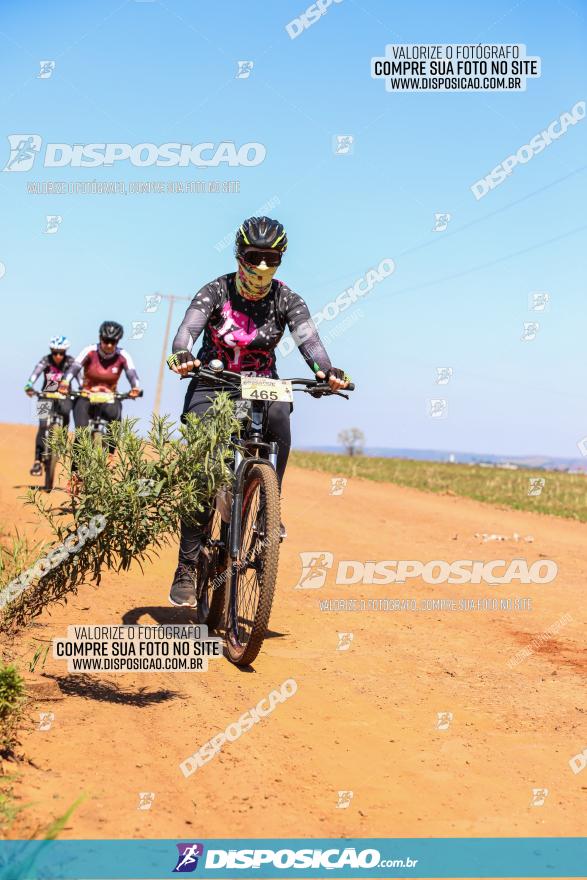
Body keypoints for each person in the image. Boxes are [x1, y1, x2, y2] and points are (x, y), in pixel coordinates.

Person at [166, 215, 350, 607]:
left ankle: (270, 504)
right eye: (255, 256)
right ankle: (186, 565)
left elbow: (310, 341)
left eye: (272, 258)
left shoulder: (287, 299)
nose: (263, 267)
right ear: (239, 255)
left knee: (282, 414)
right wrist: (181, 353)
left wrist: (326, 371)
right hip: (214, 383)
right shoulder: (215, 291)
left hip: (262, 384)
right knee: (204, 467)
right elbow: (186, 331)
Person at [58, 321, 141, 451]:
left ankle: (110, 455)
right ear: (100, 338)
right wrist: (64, 382)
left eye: (113, 342)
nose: (109, 345)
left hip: (109, 396)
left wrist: (135, 387)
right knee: (81, 434)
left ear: (117, 342)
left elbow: (132, 373)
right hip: (86, 395)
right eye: (106, 340)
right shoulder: (90, 351)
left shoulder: (123, 355)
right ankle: (75, 470)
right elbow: (74, 367)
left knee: (115, 417)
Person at [24, 335, 75, 476]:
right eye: (55, 352)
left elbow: (80, 377)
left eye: (61, 353)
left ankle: (62, 440)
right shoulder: (46, 360)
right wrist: (29, 385)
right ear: (51, 351)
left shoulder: (71, 362)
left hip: (64, 395)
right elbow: (35, 373)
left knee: (66, 413)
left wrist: (83, 389)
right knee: (42, 426)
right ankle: (37, 461)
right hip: (46, 394)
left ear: (65, 352)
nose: (58, 356)